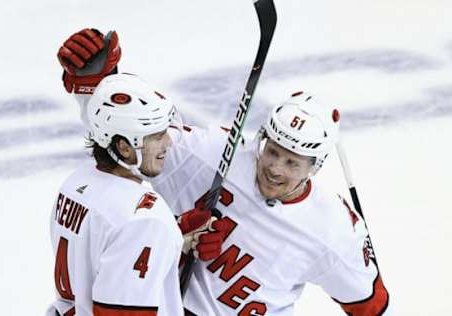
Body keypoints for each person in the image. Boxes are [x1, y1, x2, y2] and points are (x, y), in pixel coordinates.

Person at [57, 28, 391, 315]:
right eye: (272, 152)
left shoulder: (334, 228)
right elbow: (130, 136)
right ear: (261, 139)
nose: (274, 169)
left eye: (292, 163)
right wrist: (97, 80)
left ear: (314, 168)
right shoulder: (215, 154)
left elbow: (370, 306)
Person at [48, 39, 218, 315]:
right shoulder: (145, 220)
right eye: (156, 136)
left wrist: (174, 241)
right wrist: (159, 234)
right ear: (124, 146)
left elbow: (104, 261)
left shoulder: (76, 182)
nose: (169, 143)